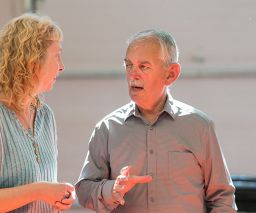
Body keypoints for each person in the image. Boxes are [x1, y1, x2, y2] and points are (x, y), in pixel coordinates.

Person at [75, 29, 237, 212]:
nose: (133, 75)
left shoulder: (199, 127)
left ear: (171, 74)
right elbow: (84, 191)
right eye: (129, 65)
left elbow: (222, 198)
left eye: (143, 67)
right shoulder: (107, 129)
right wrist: (112, 189)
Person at [0, 13, 75, 213]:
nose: (61, 66)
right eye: (56, 56)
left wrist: (57, 197)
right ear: (32, 61)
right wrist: (40, 191)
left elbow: (39, 192)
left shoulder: (45, 115)